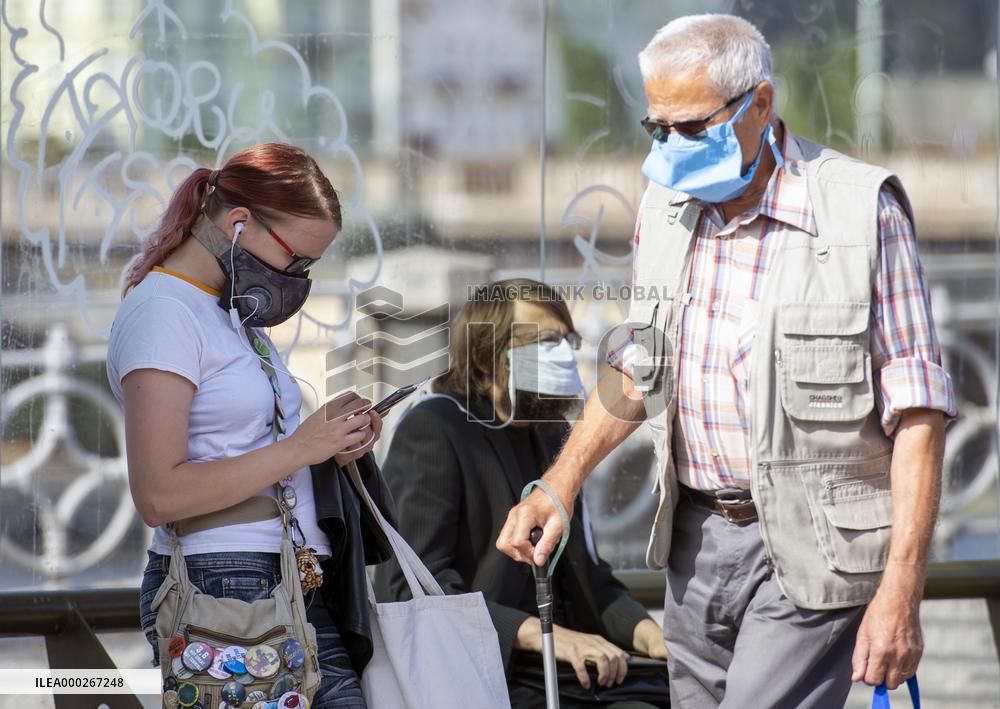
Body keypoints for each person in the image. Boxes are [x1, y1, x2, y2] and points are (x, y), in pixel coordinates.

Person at [497, 15, 956, 709]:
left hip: (813, 544)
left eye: (692, 127)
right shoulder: (666, 207)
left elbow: (919, 411)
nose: (672, 147)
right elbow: (636, 366)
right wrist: (559, 485)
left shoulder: (864, 213)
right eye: (658, 129)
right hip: (695, 543)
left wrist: (901, 587)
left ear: (761, 104)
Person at [107, 142, 390, 708]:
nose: (299, 278)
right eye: (297, 260)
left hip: (281, 578)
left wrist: (327, 438)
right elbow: (160, 494)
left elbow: (241, 446)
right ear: (239, 223)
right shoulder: (165, 313)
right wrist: (302, 448)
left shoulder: (224, 313)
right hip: (227, 587)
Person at [373, 278, 668, 709]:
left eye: (566, 340)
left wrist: (655, 638)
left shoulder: (554, 436)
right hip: (494, 675)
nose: (562, 353)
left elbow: (588, 579)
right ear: (484, 356)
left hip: (579, 671)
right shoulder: (436, 427)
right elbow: (412, 585)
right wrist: (546, 637)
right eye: (545, 341)